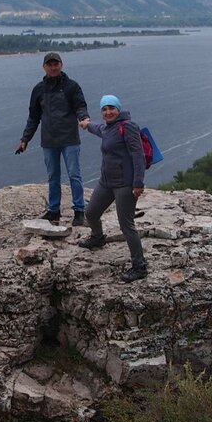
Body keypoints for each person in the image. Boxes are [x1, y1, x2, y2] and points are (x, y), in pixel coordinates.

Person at [78, 94, 147, 282]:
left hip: (125, 184)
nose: (108, 112)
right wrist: (86, 124)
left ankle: (139, 266)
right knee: (91, 213)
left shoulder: (128, 126)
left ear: (118, 109)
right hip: (106, 182)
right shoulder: (107, 128)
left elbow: (138, 155)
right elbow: (97, 128)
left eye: (111, 108)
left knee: (127, 225)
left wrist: (138, 183)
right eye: (104, 109)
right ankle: (98, 237)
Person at [16, 51, 89, 225]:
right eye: (50, 64)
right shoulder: (39, 90)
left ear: (61, 65)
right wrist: (25, 139)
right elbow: (33, 117)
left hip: (69, 139)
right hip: (49, 141)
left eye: (56, 64)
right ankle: (54, 211)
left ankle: (79, 212)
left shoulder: (72, 86)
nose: (53, 67)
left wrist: (83, 118)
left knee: (74, 175)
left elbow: (80, 106)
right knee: (53, 176)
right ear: (44, 67)